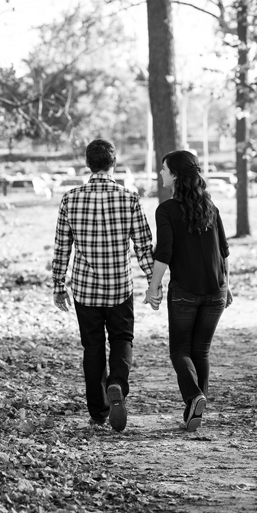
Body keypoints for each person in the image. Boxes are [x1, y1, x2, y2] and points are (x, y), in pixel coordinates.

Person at [52, 138, 155, 432]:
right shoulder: (129, 198)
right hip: (119, 288)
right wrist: (153, 282)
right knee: (122, 341)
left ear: (88, 164)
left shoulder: (70, 199)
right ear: (113, 164)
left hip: (85, 290)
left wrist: (58, 285)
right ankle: (117, 385)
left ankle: (98, 412)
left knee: (93, 348)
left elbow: (62, 247)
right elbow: (144, 246)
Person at [145, 150, 233, 432]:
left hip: (185, 292)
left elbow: (164, 253)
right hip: (216, 291)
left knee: (180, 350)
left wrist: (153, 287)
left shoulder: (166, 209)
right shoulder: (211, 206)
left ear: (175, 175)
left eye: (164, 169)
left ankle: (194, 397)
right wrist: (227, 285)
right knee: (201, 350)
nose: (160, 174)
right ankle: (196, 408)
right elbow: (224, 251)